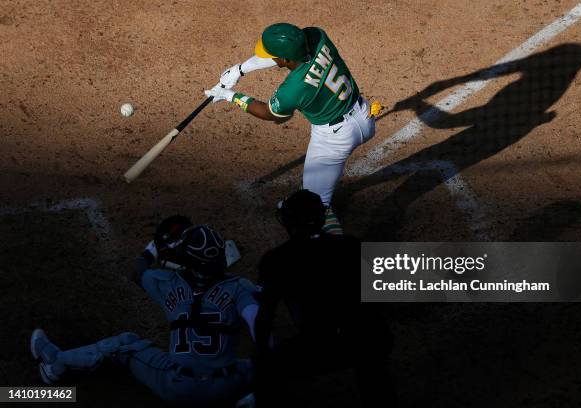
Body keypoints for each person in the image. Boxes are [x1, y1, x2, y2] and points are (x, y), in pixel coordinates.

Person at [30, 216, 258, 407]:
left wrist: (154, 248)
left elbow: (138, 270)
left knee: (125, 345)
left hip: (180, 387)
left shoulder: (166, 281)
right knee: (274, 363)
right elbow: (257, 319)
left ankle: (55, 365)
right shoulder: (241, 287)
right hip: (228, 386)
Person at [205, 23, 381, 234]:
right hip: (363, 113)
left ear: (285, 60)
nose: (272, 59)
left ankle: (337, 253)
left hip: (334, 139)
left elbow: (270, 113)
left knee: (313, 205)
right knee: (313, 194)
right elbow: (287, 51)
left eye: (275, 56)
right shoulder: (317, 36)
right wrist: (240, 69)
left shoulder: (293, 90)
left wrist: (231, 96)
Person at [252, 190, 397, 407]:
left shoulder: (276, 260)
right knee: (373, 359)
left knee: (270, 370)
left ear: (288, 222)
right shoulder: (352, 245)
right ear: (321, 218)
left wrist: (262, 356)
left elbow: (265, 318)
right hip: (368, 337)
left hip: (322, 346)